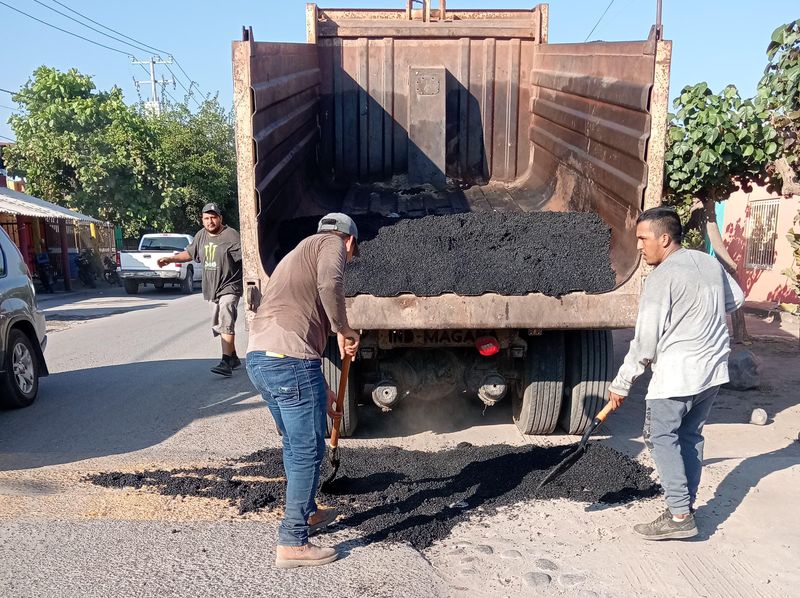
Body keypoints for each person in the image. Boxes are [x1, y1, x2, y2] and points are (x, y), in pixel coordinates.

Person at [607, 206, 744, 540]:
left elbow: (644, 344)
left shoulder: (661, 278)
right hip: (711, 372)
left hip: (679, 374)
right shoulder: (708, 263)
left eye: (643, 238)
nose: (639, 246)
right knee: (690, 436)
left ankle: (680, 514)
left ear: (664, 238)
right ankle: (686, 507)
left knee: (660, 437)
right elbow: (736, 298)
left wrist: (622, 383)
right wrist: (699, 312)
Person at [246, 212, 360, 569]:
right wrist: (344, 329)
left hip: (261, 359)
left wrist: (323, 388)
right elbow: (330, 285)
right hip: (289, 362)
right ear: (350, 241)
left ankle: (308, 512)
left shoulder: (296, 255)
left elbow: (298, 325)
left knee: (294, 445)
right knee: (306, 451)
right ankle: (293, 541)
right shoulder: (331, 244)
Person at [157, 202, 243, 377]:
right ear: (202, 220)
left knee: (225, 315)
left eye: (213, 217)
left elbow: (245, 257)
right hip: (212, 288)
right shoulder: (201, 235)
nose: (210, 221)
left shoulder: (231, 235)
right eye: (206, 218)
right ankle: (233, 356)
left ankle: (226, 361)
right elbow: (189, 253)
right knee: (218, 322)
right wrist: (170, 259)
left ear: (220, 218)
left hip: (230, 285)